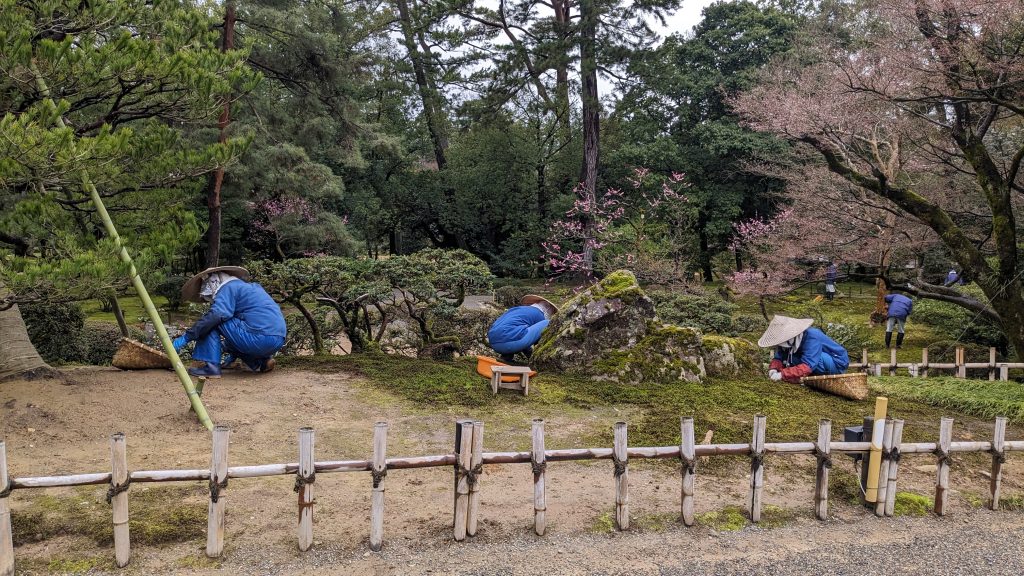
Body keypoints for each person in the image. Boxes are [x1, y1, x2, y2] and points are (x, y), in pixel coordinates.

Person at [171, 266, 287, 378]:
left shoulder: (228, 288)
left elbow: (217, 315)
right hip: (278, 339)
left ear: (214, 282)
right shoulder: (249, 288)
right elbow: (244, 324)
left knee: (212, 321)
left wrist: (187, 336)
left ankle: (211, 368)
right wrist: (230, 350)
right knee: (227, 325)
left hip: (258, 338)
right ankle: (262, 361)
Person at [758, 315, 849, 383]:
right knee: (791, 358)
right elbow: (779, 356)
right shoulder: (788, 342)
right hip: (813, 360)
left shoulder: (812, 336)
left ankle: (818, 375)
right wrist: (773, 368)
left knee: (818, 358)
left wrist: (782, 374)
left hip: (836, 363)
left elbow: (808, 365)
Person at [487, 295, 557, 363]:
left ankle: (506, 357)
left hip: (494, 344)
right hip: (511, 344)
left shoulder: (518, 309)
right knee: (547, 322)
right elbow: (536, 339)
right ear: (548, 310)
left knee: (515, 330)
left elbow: (525, 335)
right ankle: (538, 362)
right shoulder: (539, 314)